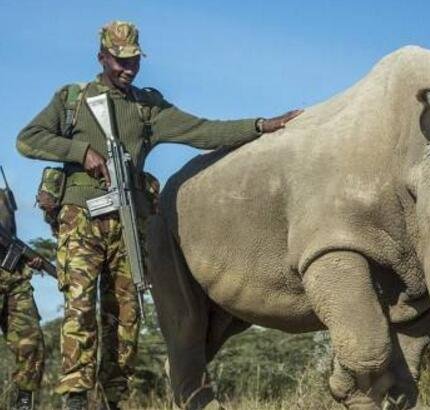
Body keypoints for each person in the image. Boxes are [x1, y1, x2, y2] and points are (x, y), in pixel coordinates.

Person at [16, 20, 301, 410]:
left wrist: (260, 126)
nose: (127, 69)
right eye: (119, 61)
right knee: (80, 307)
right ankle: (76, 398)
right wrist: (80, 153)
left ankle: (114, 397)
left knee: (125, 316)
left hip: (130, 222)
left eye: (133, 61)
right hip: (80, 218)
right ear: (102, 57)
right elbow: (27, 139)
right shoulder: (72, 99)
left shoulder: (146, 106)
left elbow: (203, 131)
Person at [0, 188, 45, 410]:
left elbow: (10, 236)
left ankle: (23, 403)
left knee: (31, 343)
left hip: (14, 278)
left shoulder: (5, 195)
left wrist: (27, 258)